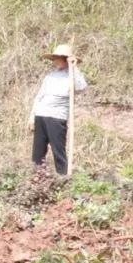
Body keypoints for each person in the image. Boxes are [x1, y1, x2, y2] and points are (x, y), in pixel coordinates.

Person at [31, 43, 86, 176]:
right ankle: (37, 177)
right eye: (55, 58)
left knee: (58, 150)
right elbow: (40, 96)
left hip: (57, 117)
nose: (56, 61)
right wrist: (32, 116)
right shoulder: (50, 76)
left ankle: (63, 177)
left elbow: (81, 87)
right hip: (41, 114)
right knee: (38, 151)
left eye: (59, 58)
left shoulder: (72, 76)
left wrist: (74, 67)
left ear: (65, 59)